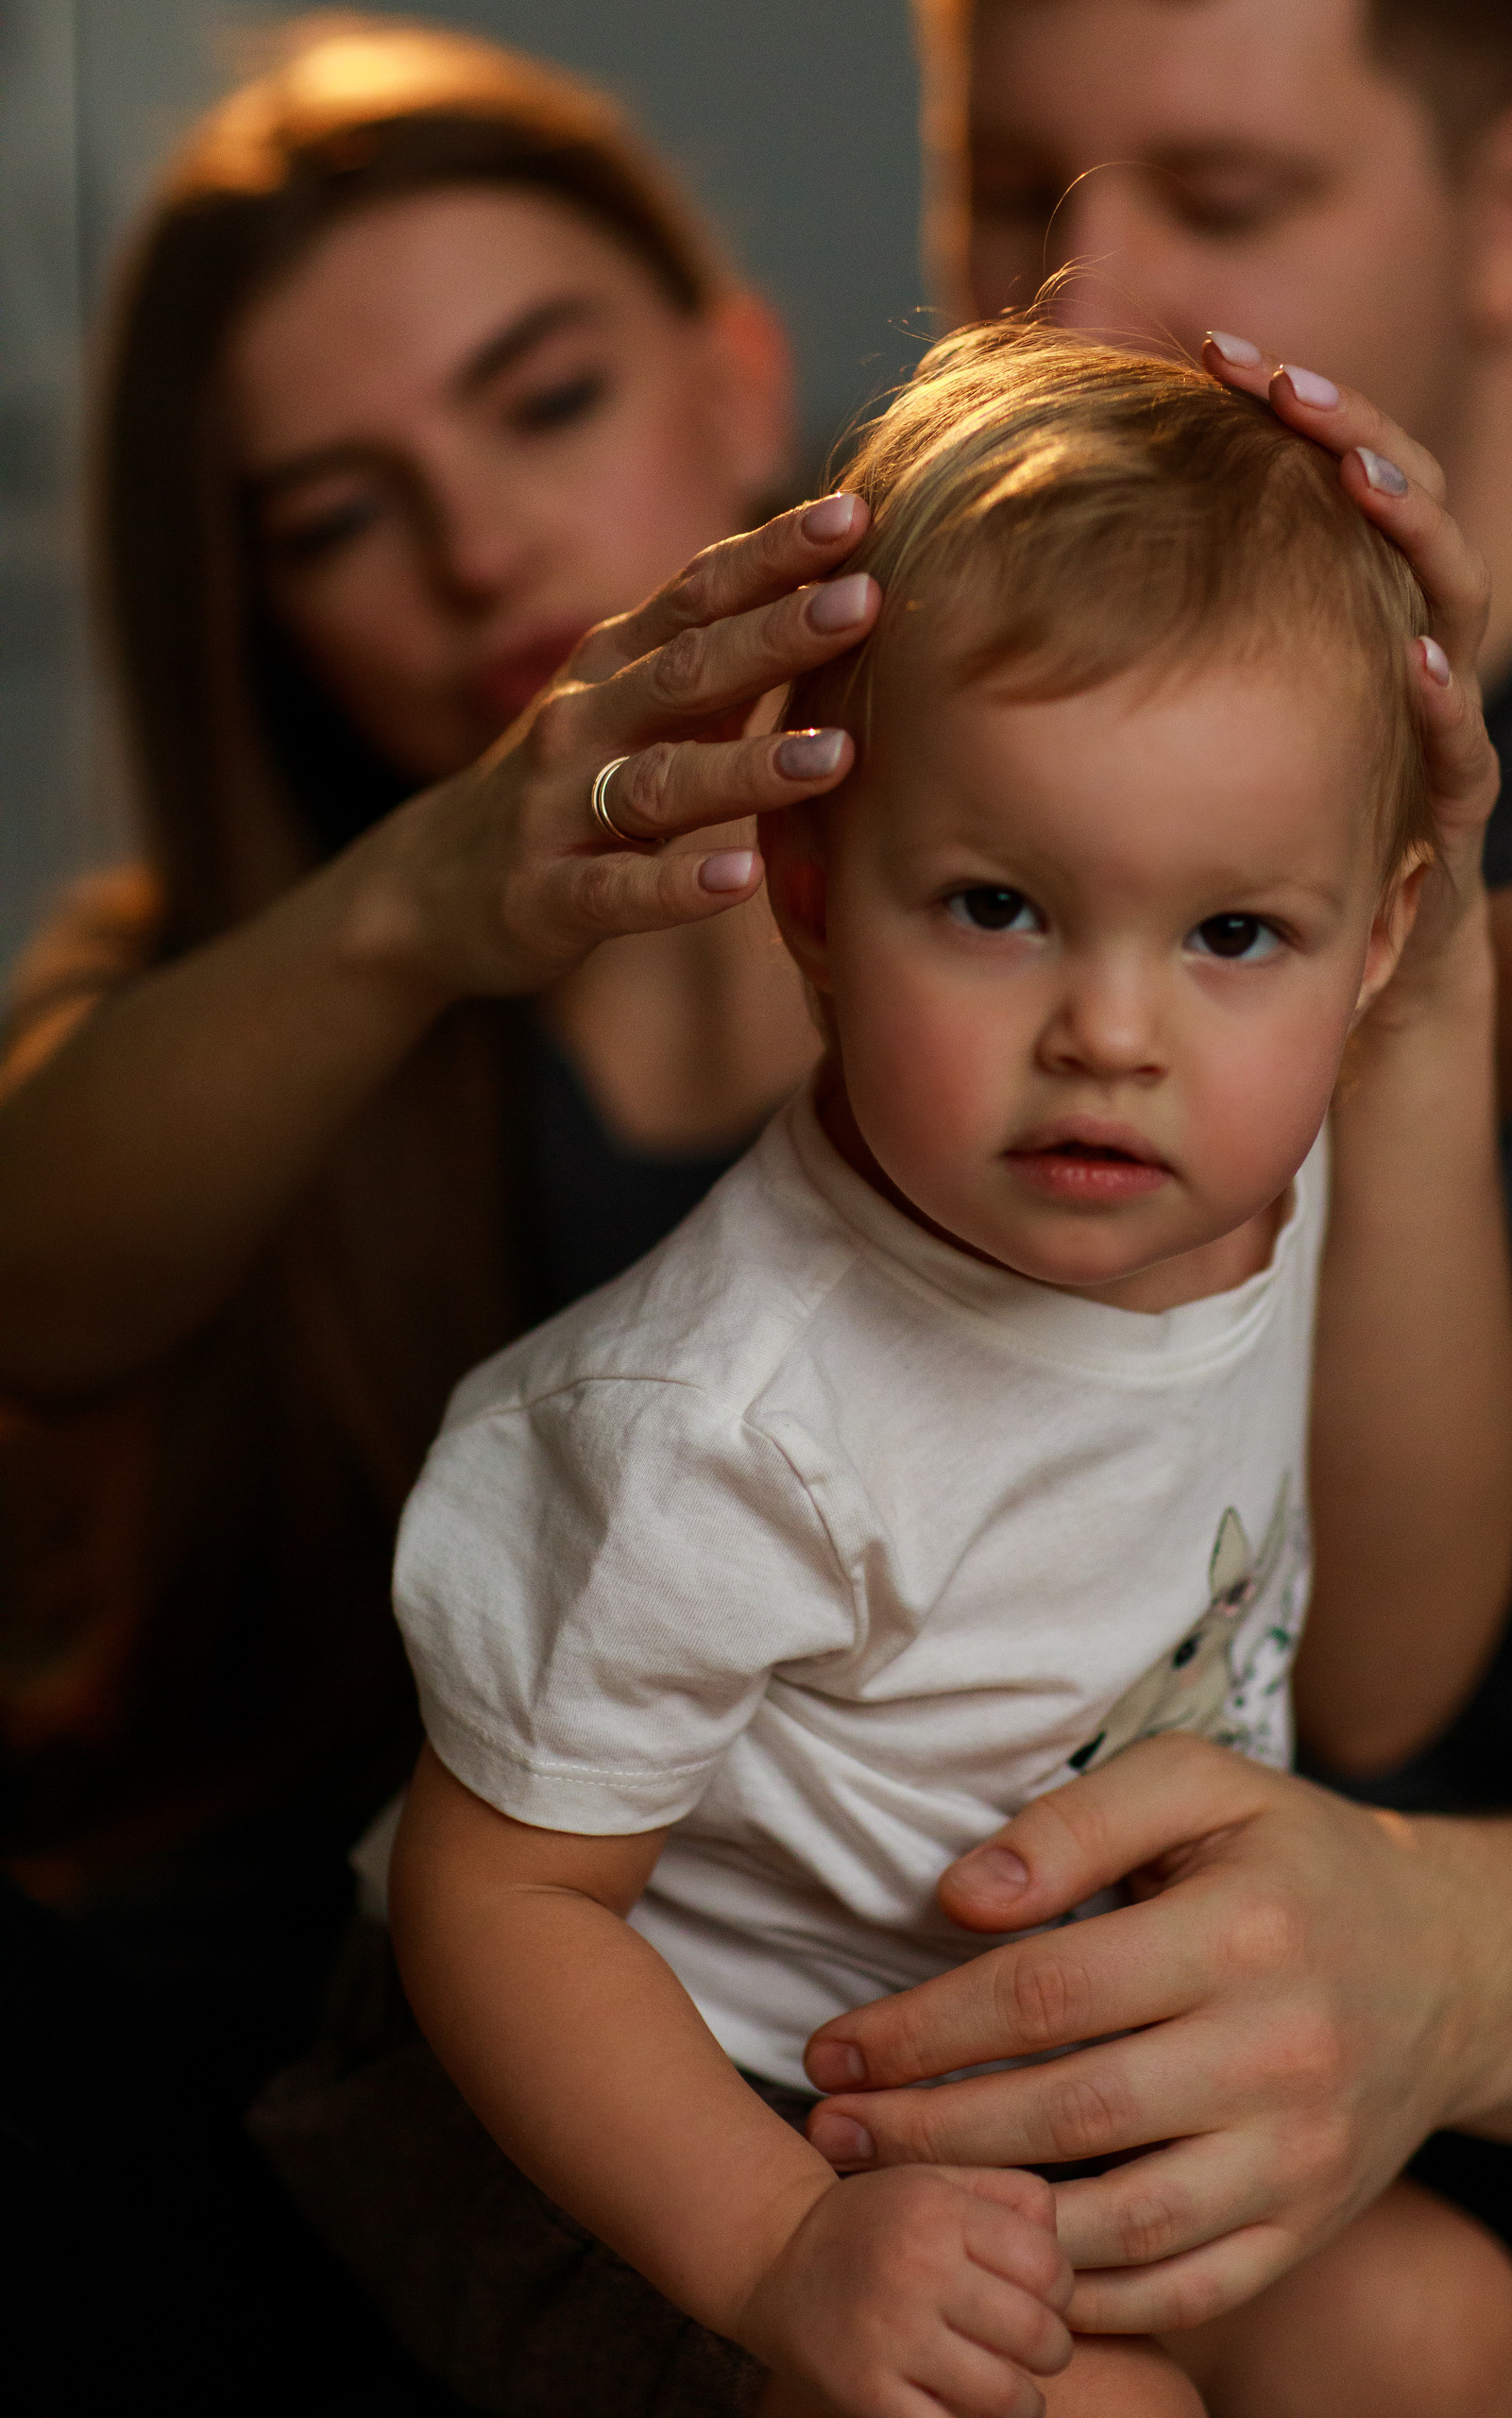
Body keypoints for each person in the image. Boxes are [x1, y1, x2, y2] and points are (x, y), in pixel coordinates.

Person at [769, 3, 1512, 2403]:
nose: (1085, 314)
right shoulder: (926, 642)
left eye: (1225, 207)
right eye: (1005, 199)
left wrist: (1451, 1965)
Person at [384, 318, 1512, 2418]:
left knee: (1435, 2323)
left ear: (1376, 943)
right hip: (651, 2114)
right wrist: (779, 2244)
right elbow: (497, 1904)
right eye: (999, 905)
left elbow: (1387, 1653)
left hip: (1026, 2090)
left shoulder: (1252, 1192)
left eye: (1228, 936)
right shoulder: (715, 1423)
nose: (1115, 1030)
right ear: (813, 893)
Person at [0, 19, 882, 2404]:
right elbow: (38, 1278)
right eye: (336, 513)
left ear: (733, 381)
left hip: (853, 2065)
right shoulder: (260, 983)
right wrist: (411, 906)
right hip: (303, 2050)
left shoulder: (1042, 925)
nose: (476, 546)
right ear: (254, 608)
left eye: (542, 399)